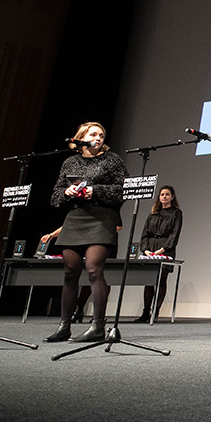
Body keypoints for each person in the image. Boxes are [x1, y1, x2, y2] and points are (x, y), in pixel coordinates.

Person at [45, 122, 127, 343]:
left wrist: (95, 191)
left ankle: (98, 327)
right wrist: (67, 191)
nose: (98, 137)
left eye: (101, 135)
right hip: (75, 216)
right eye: (93, 134)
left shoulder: (112, 160)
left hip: (102, 217)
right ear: (81, 137)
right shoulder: (70, 162)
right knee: (70, 273)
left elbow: (124, 189)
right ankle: (64, 326)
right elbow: (55, 196)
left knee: (93, 270)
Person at [133, 185, 183, 323]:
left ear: (172, 196)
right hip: (151, 249)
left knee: (161, 280)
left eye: (167, 194)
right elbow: (145, 233)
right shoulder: (153, 213)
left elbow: (174, 234)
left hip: (165, 249)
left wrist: (162, 249)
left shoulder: (176, 213)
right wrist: (145, 249)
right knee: (149, 281)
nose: (164, 197)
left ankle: (156, 311)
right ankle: (145, 312)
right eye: (162, 194)